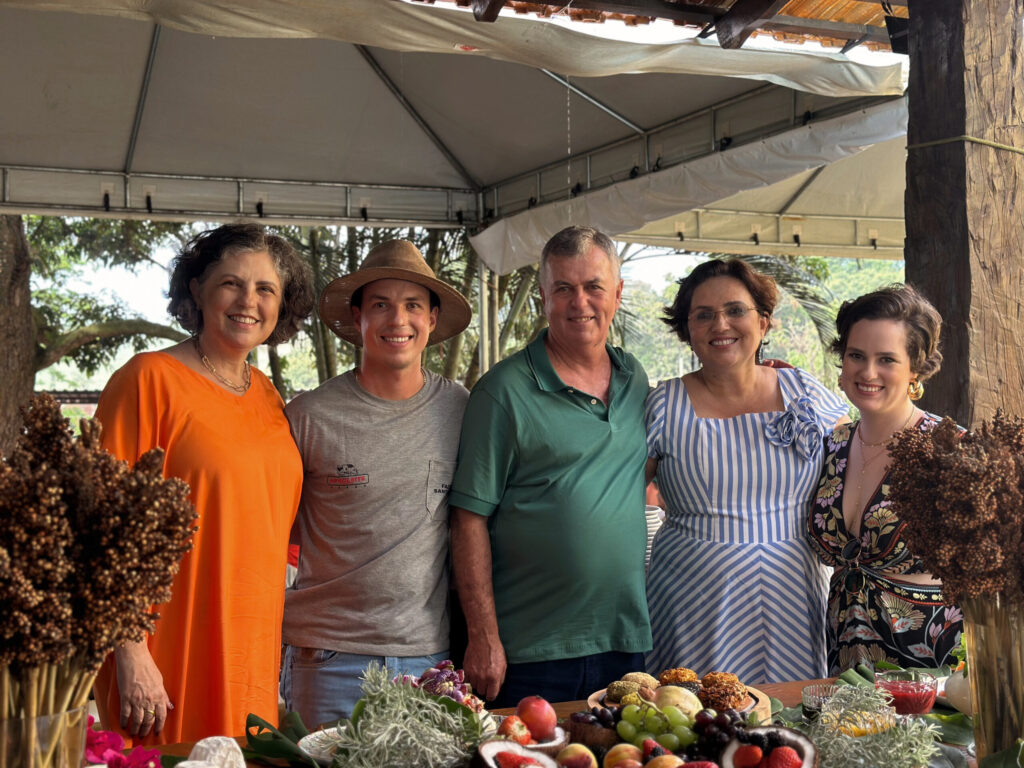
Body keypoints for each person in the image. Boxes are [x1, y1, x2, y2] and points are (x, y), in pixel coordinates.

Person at [93, 223, 315, 743]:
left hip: (251, 653)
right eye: (231, 283)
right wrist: (130, 651)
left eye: (266, 290)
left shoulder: (268, 396)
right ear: (197, 289)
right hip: (167, 650)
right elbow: (97, 526)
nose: (248, 301)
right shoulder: (148, 381)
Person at [450, 225, 652, 708]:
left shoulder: (635, 380)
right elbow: (467, 519)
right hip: (530, 651)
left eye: (593, 287)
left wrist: (756, 372)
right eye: (564, 288)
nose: (579, 302)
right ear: (543, 295)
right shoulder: (502, 392)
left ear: (617, 294)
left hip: (625, 641)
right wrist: (483, 637)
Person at [281, 239, 472, 726]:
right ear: (358, 318)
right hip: (327, 657)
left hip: (426, 658)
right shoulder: (308, 417)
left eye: (412, 306)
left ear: (431, 319)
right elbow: (273, 534)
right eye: (381, 306)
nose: (398, 321)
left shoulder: (463, 410)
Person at [644, 259, 847, 684]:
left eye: (735, 310)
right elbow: (622, 498)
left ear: (764, 322)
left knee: (792, 725)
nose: (721, 324)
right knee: (694, 722)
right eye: (703, 315)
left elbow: (859, 460)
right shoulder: (664, 405)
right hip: (691, 597)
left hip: (793, 594)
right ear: (688, 330)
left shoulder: (804, 392)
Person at [807, 284, 963, 673]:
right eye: (856, 355)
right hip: (845, 655)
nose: (868, 372)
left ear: (916, 368)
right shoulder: (832, 446)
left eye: (887, 359)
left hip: (931, 659)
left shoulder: (950, 449)